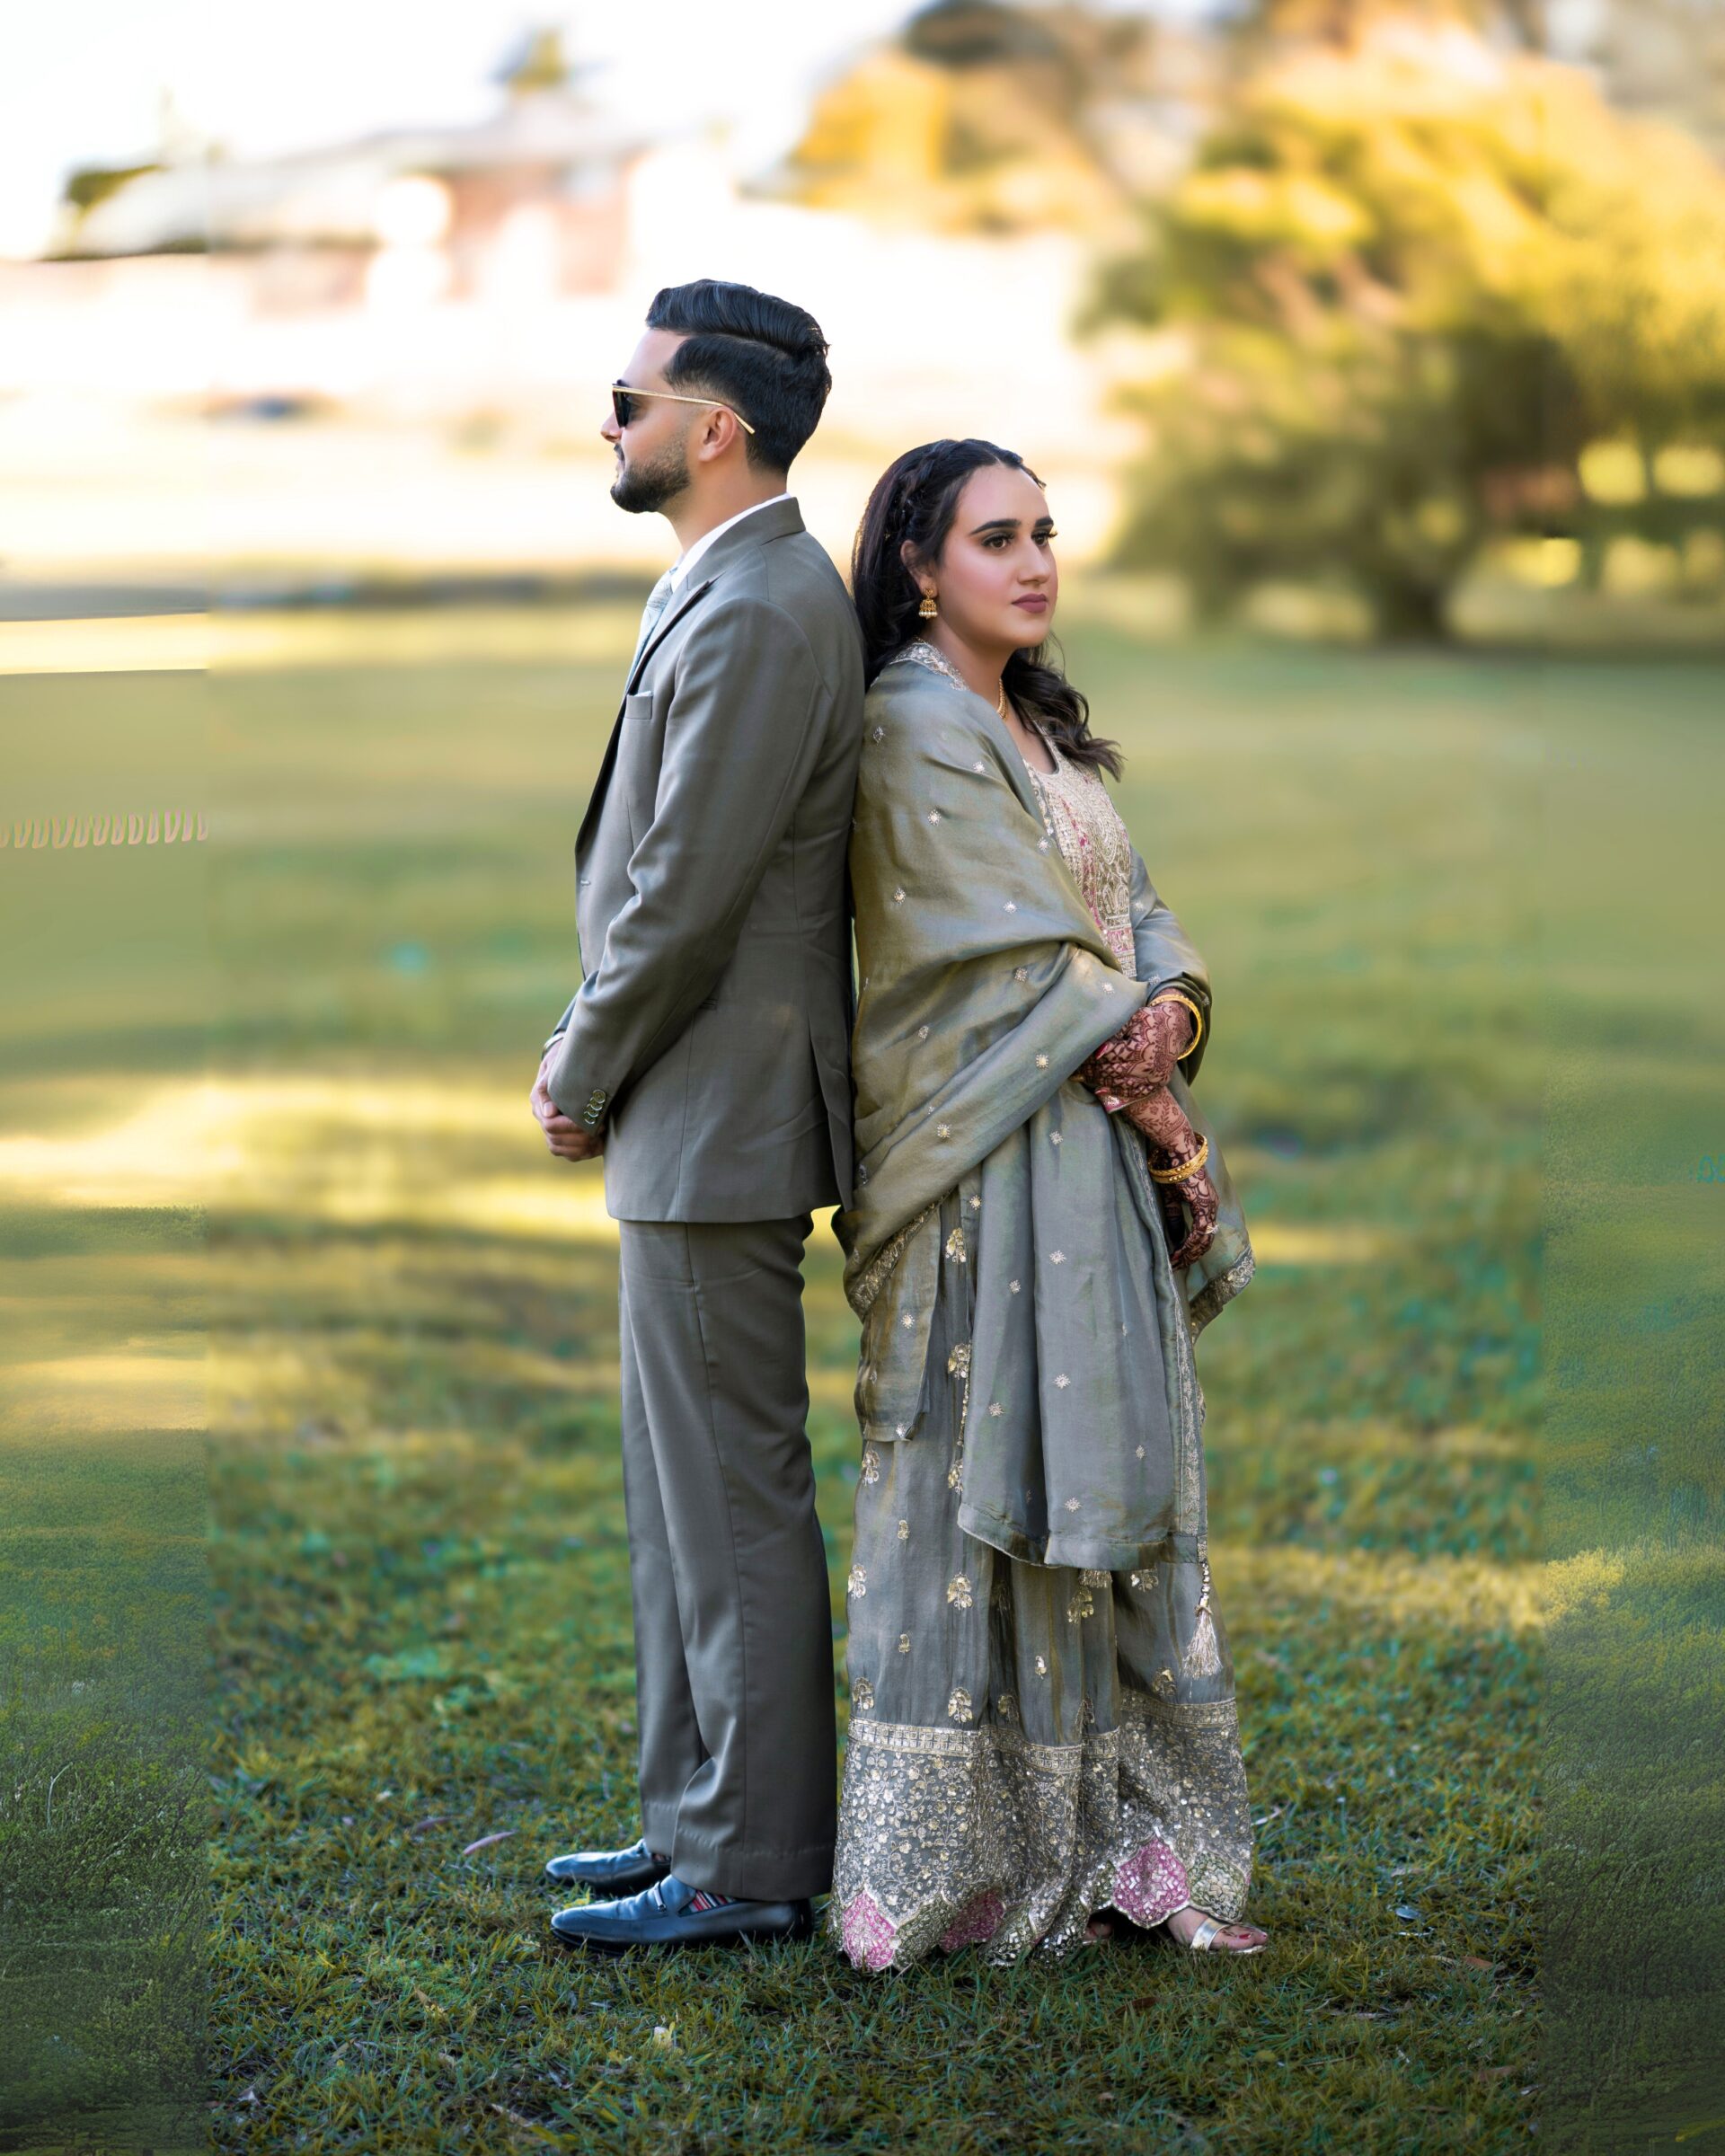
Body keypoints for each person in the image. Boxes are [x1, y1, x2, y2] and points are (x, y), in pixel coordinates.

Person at [829, 437, 1269, 1968]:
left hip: (1085, 1151)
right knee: (983, 1481)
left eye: (1044, 532)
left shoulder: (1034, 724)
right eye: (995, 538)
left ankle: (1127, 1843)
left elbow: (1133, 911)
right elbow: (1013, 956)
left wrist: (1176, 1010)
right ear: (917, 567)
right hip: (986, 1162)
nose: (1033, 564)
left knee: (1108, 1479)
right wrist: (1151, 1089)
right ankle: (955, 1867)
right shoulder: (910, 727)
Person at [529, 280, 865, 1951]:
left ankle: (750, 1861)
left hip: (718, 1106)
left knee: (730, 1495)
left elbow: (683, 894)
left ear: (714, 426)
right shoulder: (731, 581)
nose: (610, 422)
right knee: (682, 1496)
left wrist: (578, 1063)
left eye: (630, 398)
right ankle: (691, 1823)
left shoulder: (760, 607)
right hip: (696, 1102)